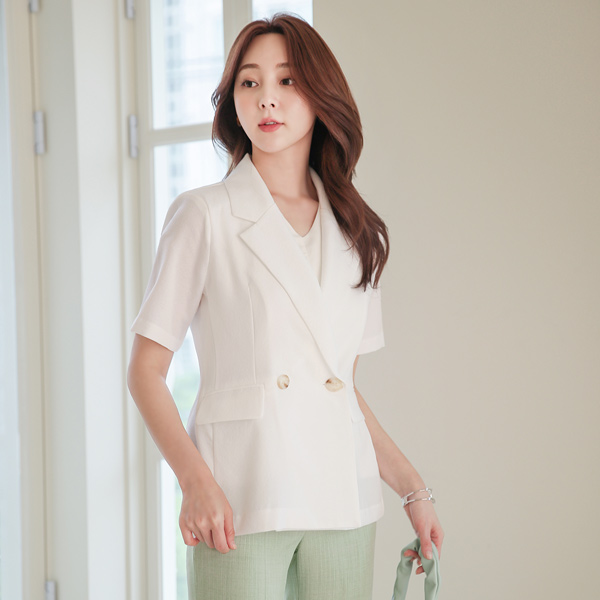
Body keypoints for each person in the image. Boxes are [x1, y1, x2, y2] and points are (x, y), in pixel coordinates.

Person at [127, 12, 444, 600]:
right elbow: (145, 371)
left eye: (287, 80)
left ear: (321, 95)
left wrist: (413, 488)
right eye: (249, 82)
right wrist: (195, 482)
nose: (266, 98)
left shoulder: (356, 231)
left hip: (342, 498)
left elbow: (340, 387)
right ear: (234, 101)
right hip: (242, 495)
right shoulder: (204, 214)